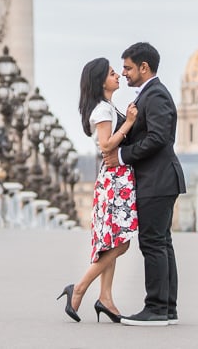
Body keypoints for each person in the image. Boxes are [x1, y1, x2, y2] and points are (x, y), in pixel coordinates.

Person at [102, 42, 186, 326]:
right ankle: (168, 308)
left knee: (153, 243)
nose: (124, 73)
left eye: (127, 67)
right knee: (162, 243)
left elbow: (159, 137)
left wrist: (123, 155)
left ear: (144, 67)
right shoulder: (149, 95)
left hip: (158, 180)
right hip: (160, 179)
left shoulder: (156, 95)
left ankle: (156, 308)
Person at [58, 58, 139, 323]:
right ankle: (79, 288)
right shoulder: (103, 110)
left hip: (116, 178)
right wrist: (127, 123)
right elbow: (106, 146)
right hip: (115, 180)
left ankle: (105, 298)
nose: (118, 76)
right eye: (113, 73)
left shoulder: (106, 106)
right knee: (122, 242)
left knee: (112, 242)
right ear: (100, 81)